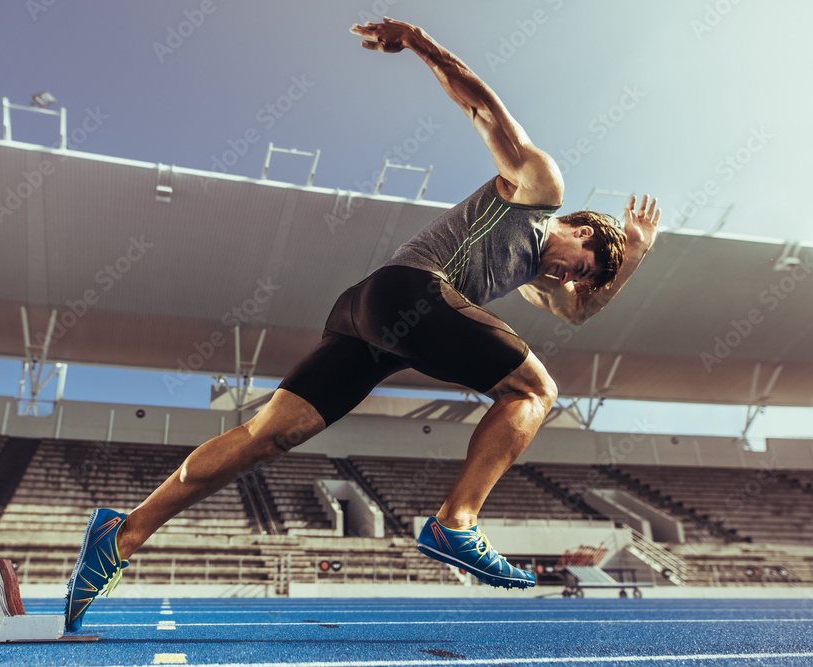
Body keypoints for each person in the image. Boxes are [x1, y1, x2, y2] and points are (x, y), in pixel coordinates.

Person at [64, 17, 660, 630]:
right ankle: (456, 522)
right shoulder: (538, 191)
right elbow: (483, 109)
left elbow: (579, 313)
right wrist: (421, 44)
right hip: (407, 291)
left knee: (268, 436)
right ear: (582, 231)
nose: (570, 283)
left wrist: (634, 256)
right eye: (580, 269)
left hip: (366, 320)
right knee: (535, 390)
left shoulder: (536, 274)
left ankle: (120, 536)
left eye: (579, 280)